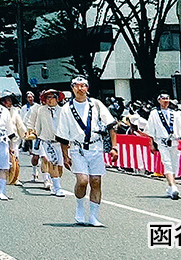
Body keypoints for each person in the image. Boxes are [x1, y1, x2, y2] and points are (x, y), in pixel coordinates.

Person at [55, 77, 117, 227]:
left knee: (96, 181)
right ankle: (80, 207)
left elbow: (111, 126)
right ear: (72, 88)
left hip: (96, 147)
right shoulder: (66, 109)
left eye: (83, 86)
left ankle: (94, 216)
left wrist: (114, 148)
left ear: (87, 88)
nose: (80, 88)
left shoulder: (96, 104)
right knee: (82, 180)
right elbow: (63, 135)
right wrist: (65, 156)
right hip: (77, 148)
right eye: (77, 86)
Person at [144, 92, 181, 200]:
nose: (165, 100)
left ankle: (170, 186)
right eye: (163, 99)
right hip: (162, 142)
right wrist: (151, 143)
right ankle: (173, 187)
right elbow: (150, 129)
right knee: (167, 163)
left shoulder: (175, 113)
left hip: (173, 141)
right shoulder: (154, 113)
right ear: (159, 100)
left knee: (174, 165)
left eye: (167, 98)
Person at [28, 90, 67, 197]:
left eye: (52, 97)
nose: (49, 100)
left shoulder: (63, 111)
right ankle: (57, 187)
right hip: (47, 141)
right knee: (51, 163)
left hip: (60, 142)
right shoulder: (41, 110)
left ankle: (55, 185)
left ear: (57, 98)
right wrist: (34, 133)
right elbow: (38, 125)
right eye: (47, 97)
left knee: (60, 166)